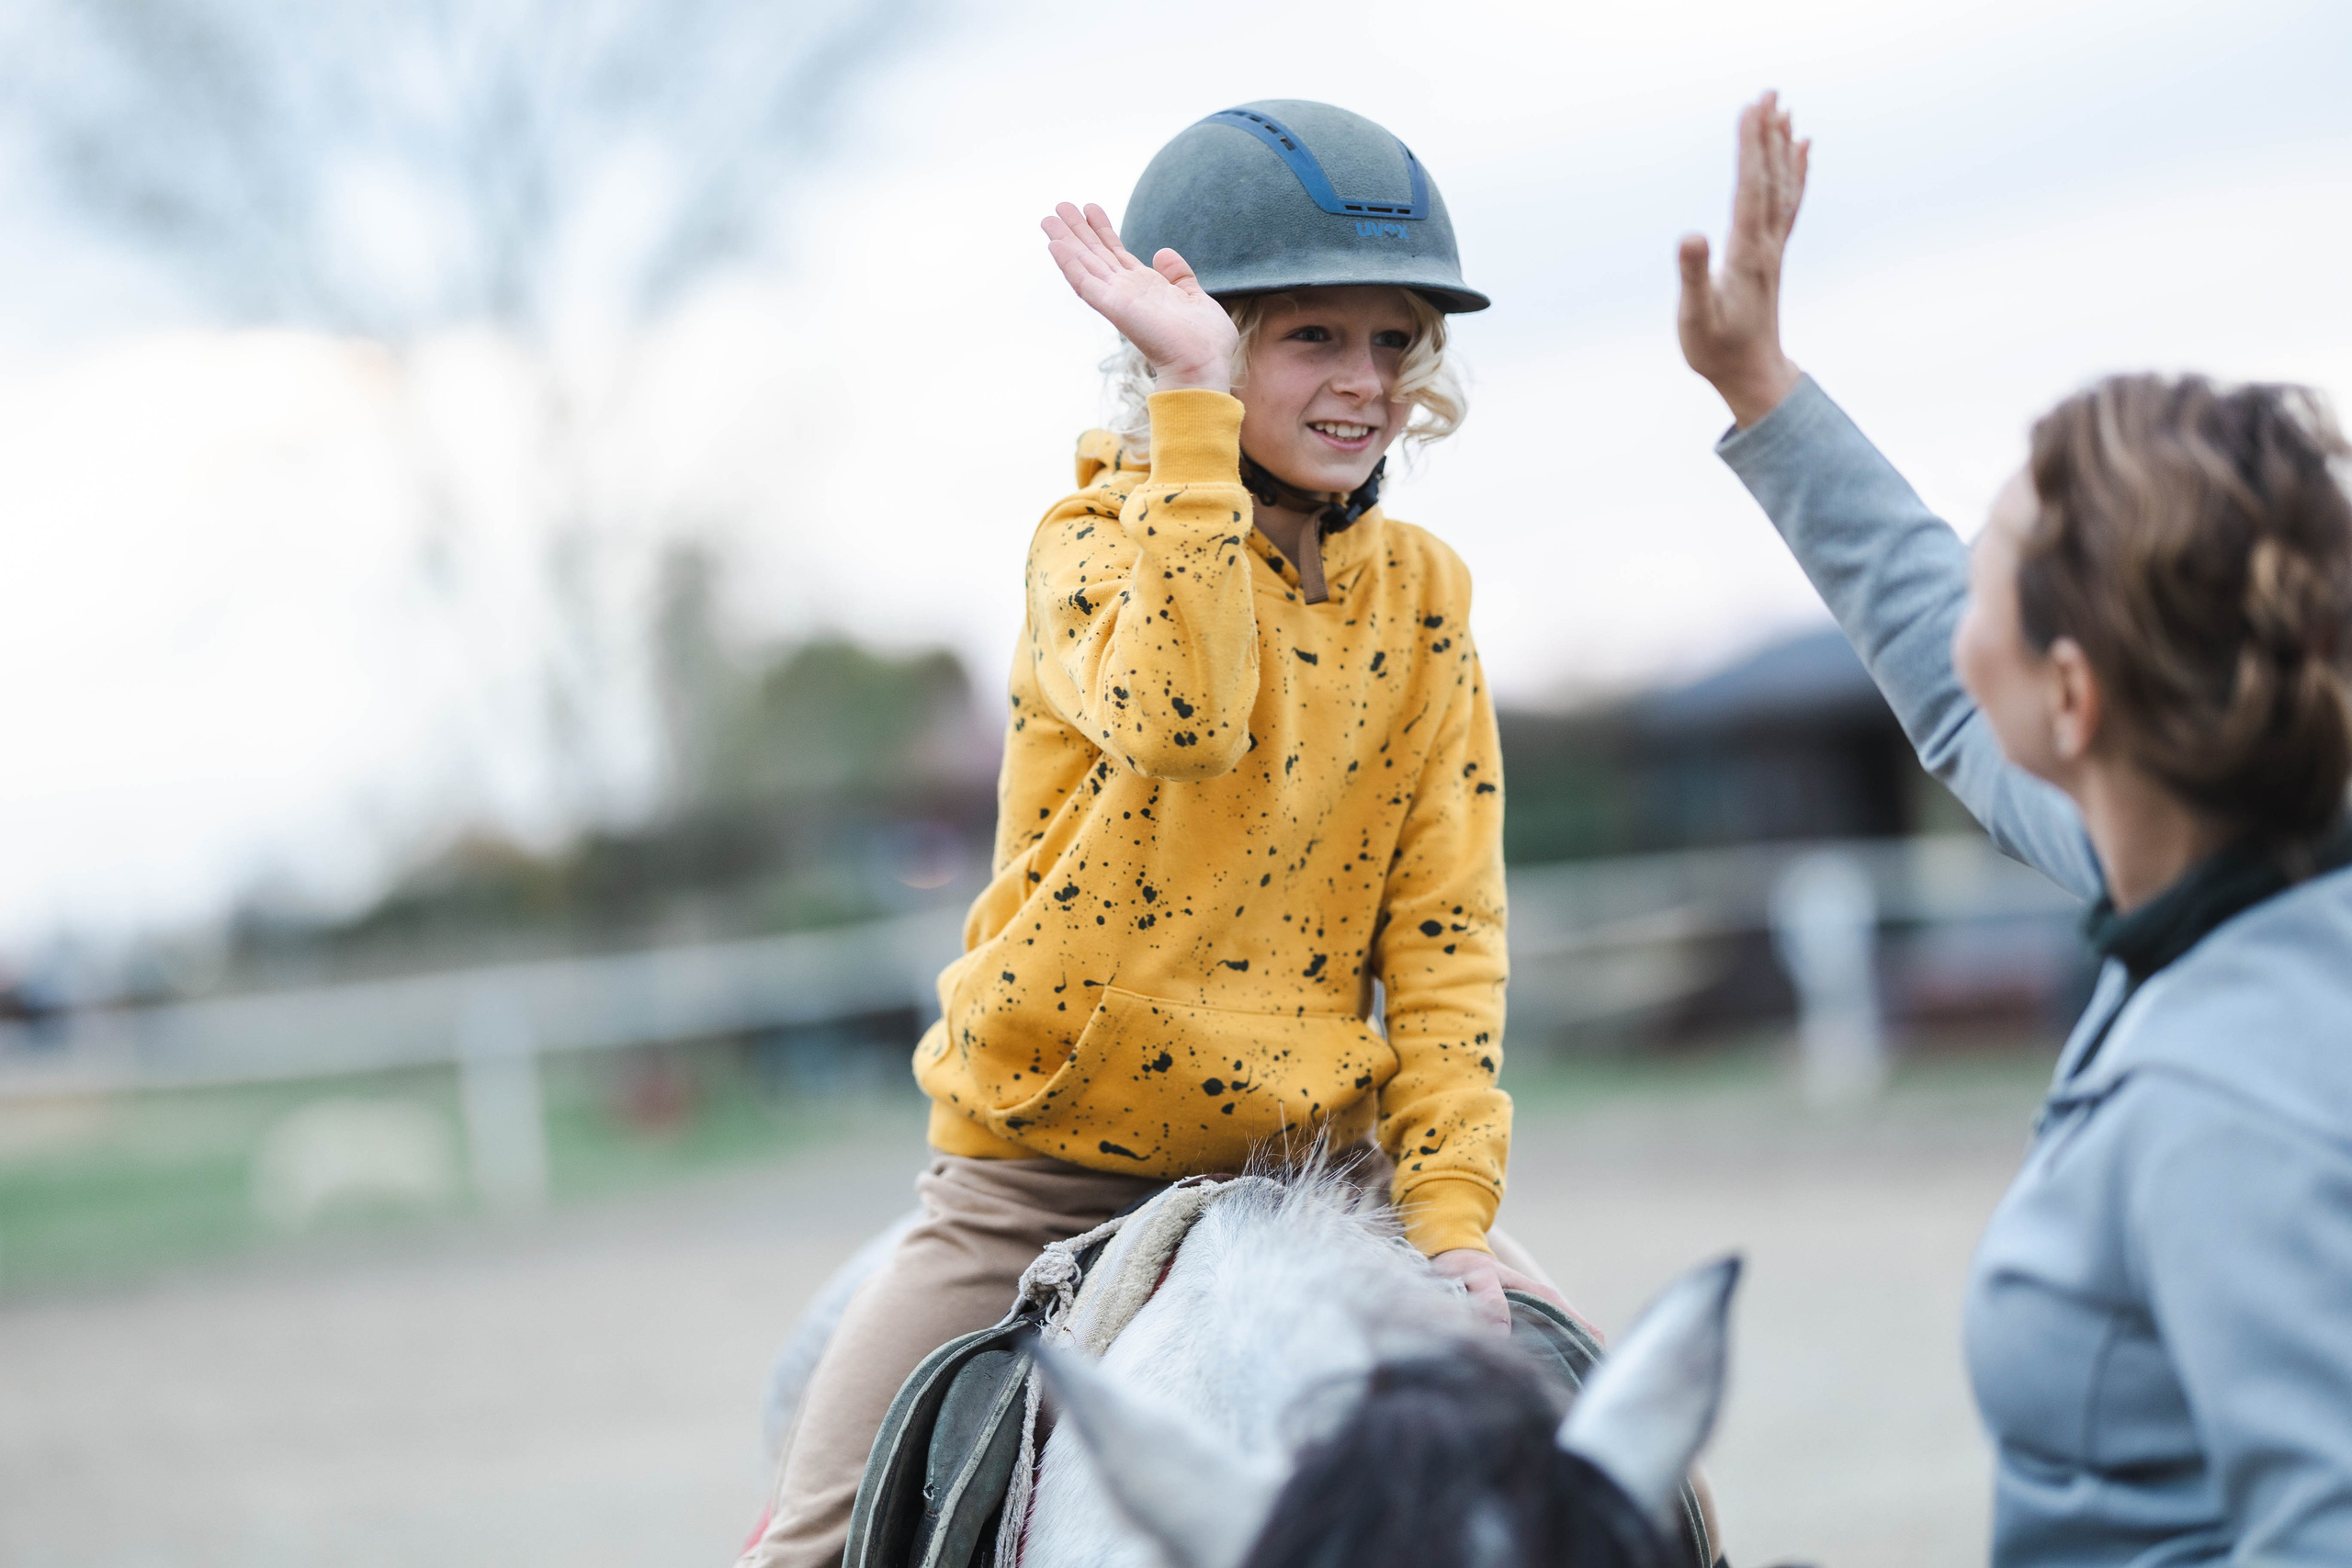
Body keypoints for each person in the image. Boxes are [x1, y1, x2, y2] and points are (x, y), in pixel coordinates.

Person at [740, 100, 1566, 1568]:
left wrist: (1447, 1216)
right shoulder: (1092, 550)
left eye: (1391, 341)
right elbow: (1186, 716)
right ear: (1204, 340)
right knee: (807, 1551)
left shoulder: (1428, 596)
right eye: (1312, 338)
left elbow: (1447, 938)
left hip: (1323, 1164)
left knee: (1622, 1476)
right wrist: (1190, 415)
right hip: (1046, 1165)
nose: (1363, 382)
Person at [1681, 93, 2352, 1563]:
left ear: (2073, 690)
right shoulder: (2218, 855)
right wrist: (1759, 384)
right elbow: (1936, 652)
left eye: (1994, 555)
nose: (1958, 570)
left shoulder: (2234, 1091)